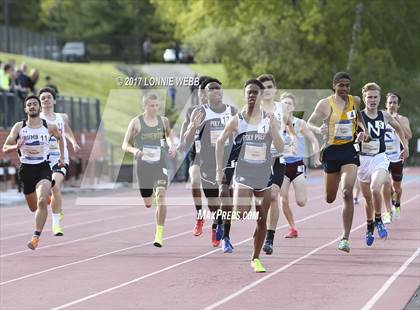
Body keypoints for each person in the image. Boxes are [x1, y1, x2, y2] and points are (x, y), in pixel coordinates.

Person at [216, 79, 284, 272]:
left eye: (256, 92)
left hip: (263, 174)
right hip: (244, 172)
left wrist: (273, 129)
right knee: (241, 212)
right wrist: (219, 170)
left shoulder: (270, 118)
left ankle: (255, 258)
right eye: (249, 92)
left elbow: (280, 148)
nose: (252, 95)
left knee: (262, 218)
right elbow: (220, 142)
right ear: (244, 95)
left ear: (261, 96)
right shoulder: (237, 120)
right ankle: (224, 219)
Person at [307, 72, 370, 253]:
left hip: (349, 150)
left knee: (346, 191)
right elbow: (309, 123)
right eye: (340, 85)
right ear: (334, 85)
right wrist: (319, 129)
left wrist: (363, 131)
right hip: (330, 152)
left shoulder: (355, 100)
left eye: (347, 85)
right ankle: (343, 233)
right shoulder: (325, 104)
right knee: (330, 198)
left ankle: (345, 238)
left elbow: (359, 117)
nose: (344, 88)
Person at [2, 95, 64, 250]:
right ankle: (48, 196)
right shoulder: (19, 127)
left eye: (35, 104)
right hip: (26, 169)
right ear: (25, 109)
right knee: (33, 207)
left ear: (39, 107)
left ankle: (36, 237)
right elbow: (4, 148)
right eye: (29, 104)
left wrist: (60, 156)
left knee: (41, 201)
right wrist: (16, 146)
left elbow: (59, 137)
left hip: (43, 167)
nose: (32, 106)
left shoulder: (48, 126)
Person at [185, 78, 237, 248]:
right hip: (206, 160)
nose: (216, 91)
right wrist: (193, 126)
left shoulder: (232, 111)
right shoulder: (199, 112)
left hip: (227, 159)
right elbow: (187, 139)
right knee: (213, 201)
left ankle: (222, 229)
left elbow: (240, 131)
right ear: (205, 95)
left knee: (226, 195)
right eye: (212, 89)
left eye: (219, 89)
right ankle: (217, 221)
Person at [357, 83, 408, 246]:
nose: (372, 100)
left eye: (375, 97)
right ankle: (369, 225)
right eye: (369, 97)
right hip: (362, 160)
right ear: (364, 98)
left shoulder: (384, 116)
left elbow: (399, 129)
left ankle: (378, 219)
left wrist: (405, 146)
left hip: (379, 158)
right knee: (367, 199)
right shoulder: (357, 116)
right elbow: (348, 135)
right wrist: (356, 139)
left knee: (375, 188)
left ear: (380, 98)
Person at [122, 93, 176, 247]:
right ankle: (150, 197)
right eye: (151, 105)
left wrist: (171, 146)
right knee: (147, 202)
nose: (154, 108)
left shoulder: (163, 121)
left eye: (157, 105)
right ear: (144, 106)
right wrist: (134, 151)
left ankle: (159, 234)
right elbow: (124, 144)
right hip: (143, 166)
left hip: (160, 163)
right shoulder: (136, 122)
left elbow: (169, 136)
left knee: (161, 195)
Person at [256, 74, 296, 255]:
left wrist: (293, 141)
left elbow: (291, 129)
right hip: (257, 160)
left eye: (270, 86)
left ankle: (270, 238)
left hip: (277, 158)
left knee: (273, 196)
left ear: (275, 89)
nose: (267, 90)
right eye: (263, 87)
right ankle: (261, 227)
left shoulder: (282, 109)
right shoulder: (252, 108)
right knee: (260, 201)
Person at [276, 92, 321, 239]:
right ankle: (292, 227)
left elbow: (314, 141)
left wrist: (316, 157)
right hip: (281, 165)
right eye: (284, 103)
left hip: (297, 165)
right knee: (283, 198)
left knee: (301, 202)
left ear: (293, 107)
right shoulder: (274, 122)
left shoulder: (299, 123)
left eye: (289, 103)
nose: (286, 106)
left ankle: (293, 223)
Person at [39, 87, 80, 236]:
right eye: (42, 98)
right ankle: (58, 206)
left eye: (48, 97)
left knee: (55, 187)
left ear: (54, 100)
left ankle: (56, 225)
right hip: (42, 160)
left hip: (60, 157)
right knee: (43, 195)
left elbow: (67, 130)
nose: (46, 99)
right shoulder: (37, 119)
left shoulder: (61, 117)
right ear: (39, 102)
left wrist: (73, 142)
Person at [178, 76, 210, 236]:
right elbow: (185, 127)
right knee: (194, 180)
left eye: (203, 93)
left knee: (216, 195)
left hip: (214, 156)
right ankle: (199, 216)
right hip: (196, 153)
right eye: (199, 93)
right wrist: (182, 141)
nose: (201, 96)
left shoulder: (220, 111)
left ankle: (218, 222)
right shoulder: (192, 111)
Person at [382, 92, 412, 221]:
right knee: (384, 183)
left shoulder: (403, 118)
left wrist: (398, 121)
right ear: (386, 104)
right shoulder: (380, 116)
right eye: (390, 102)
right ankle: (387, 211)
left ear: (398, 105)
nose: (392, 105)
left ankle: (397, 203)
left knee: (397, 188)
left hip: (397, 156)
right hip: (382, 156)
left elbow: (409, 135)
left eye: (394, 103)